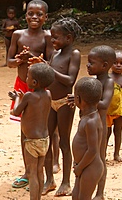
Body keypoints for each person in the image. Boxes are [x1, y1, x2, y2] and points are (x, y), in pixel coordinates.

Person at [7, 0, 53, 188]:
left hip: (41, 88)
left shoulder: (48, 36)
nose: (34, 17)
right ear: (25, 16)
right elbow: (9, 61)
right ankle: (28, 172)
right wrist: (19, 60)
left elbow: (51, 64)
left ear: (46, 17)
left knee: (43, 129)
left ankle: (43, 172)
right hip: (22, 87)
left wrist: (37, 61)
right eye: (30, 14)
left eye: (39, 14)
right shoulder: (17, 35)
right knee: (24, 130)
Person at [39, 17, 82, 196]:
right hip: (50, 101)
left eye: (56, 37)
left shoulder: (74, 54)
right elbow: (49, 75)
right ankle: (49, 180)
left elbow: (70, 80)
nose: (52, 41)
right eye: (51, 37)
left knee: (64, 142)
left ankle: (66, 182)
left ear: (69, 38)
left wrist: (49, 70)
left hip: (65, 102)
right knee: (48, 141)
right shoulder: (55, 54)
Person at [9, 63, 55, 200]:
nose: (26, 78)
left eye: (28, 76)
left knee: (33, 173)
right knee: (40, 171)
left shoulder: (29, 96)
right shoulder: (48, 94)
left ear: (34, 82)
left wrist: (17, 98)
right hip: (44, 140)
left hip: (32, 142)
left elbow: (16, 112)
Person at [85, 45, 116, 200]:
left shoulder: (108, 82)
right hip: (91, 124)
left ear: (104, 65)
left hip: (101, 126)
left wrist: (86, 99)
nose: (87, 65)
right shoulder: (95, 81)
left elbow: (104, 104)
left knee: (100, 158)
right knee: (89, 155)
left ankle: (100, 193)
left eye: (91, 62)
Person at [72, 77, 104, 200]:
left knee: (83, 198)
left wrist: (79, 168)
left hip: (90, 167)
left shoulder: (91, 121)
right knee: (76, 196)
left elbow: (92, 150)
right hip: (84, 165)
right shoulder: (87, 116)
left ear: (79, 99)